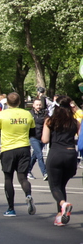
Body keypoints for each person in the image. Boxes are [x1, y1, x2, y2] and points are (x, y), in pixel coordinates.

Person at [0, 92, 36, 217]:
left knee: (8, 178)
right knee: (23, 177)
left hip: (8, 149)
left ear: (7, 103)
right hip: (24, 148)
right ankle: (28, 195)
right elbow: (32, 133)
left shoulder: (1, 115)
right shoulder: (27, 114)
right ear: (19, 102)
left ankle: (11, 208)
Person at [41, 96, 80, 226]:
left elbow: (45, 140)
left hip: (56, 154)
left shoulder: (50, 121)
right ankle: (60, 215)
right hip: (70, 154)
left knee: (54, 186)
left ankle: (63, 204)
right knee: (62, 185)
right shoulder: (75, 122)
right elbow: (80, 138)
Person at [28, 99, 48, 180]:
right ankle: (45, 173)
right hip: (33, 137)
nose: (39, 107)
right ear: (33, 105)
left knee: (35, 155)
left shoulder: (45, 113)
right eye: (37, 105)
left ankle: (28, 170)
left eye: (40, 105)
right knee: (39, 155)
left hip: (42, 137)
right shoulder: (30, 114)